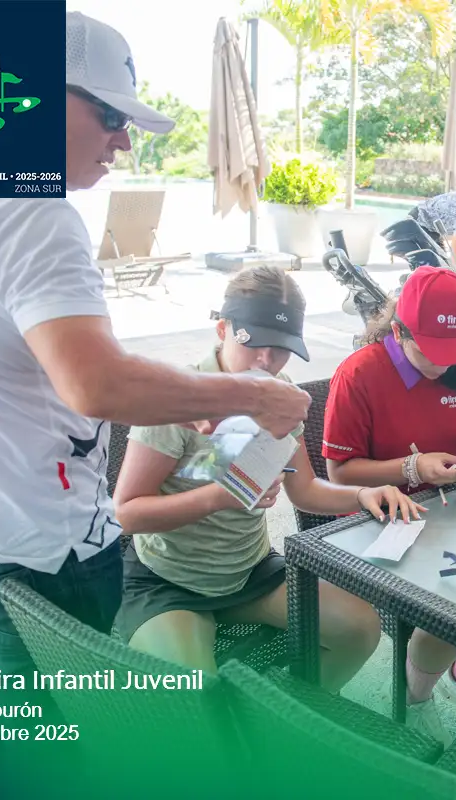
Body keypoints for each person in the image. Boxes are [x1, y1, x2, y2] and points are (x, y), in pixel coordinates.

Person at [0, 10, 310, 708]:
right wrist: (250, 396)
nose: (123, 139)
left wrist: (181, 396)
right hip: (32, 547)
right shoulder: (31, 207)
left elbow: (30, 359)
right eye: (110, 114)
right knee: (50, 736)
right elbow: (95, 383)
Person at [112, 267, 418, 691]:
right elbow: (125, 514)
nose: (266, 363)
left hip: (250, 572)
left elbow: (304, 490)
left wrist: (363, 494)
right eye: (254, 344)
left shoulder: (280, 392)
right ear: (223, 329)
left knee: (360, 629)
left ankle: (291, 715)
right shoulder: (176, 399)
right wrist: (221, 497)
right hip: (169, 580)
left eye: (281, 350)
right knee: (197, 697)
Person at [323, 265, 456, 746]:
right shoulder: (359, 374)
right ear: (398, 331)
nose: (443, 365)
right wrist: (411, 468)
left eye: (454, 352)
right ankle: (417, 696)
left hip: (454, 508)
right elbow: (340, 473)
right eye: (431, 353)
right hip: (381, 521)